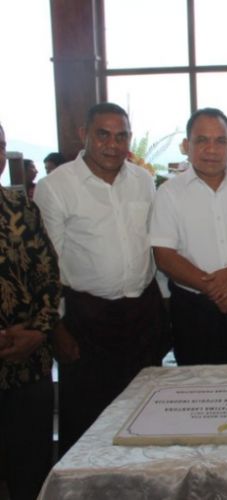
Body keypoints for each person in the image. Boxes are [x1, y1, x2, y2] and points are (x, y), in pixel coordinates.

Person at [34, 102, 165, 456]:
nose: (113, 144)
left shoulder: (143, 181)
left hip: (141, 314)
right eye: (103, 134)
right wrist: (57, 328)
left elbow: (152, 245)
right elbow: (48, 265)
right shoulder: (56, 187)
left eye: (121, 136)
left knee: (145, 415)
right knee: (88, 420)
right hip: (86, 319)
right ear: (84, 135)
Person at [150, 108, 227, 365]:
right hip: (194, 311)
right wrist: (218, 291)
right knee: (199, 394)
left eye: (220, 141)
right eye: (201, 140)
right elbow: (164, 256)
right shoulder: (169, 193)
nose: (212, 149)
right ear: (186, 145)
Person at [0, 123, 61, 500]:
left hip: (29, 363)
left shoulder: (19, 206)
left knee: (31, 470)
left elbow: (49, 274)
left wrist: (39, 330)